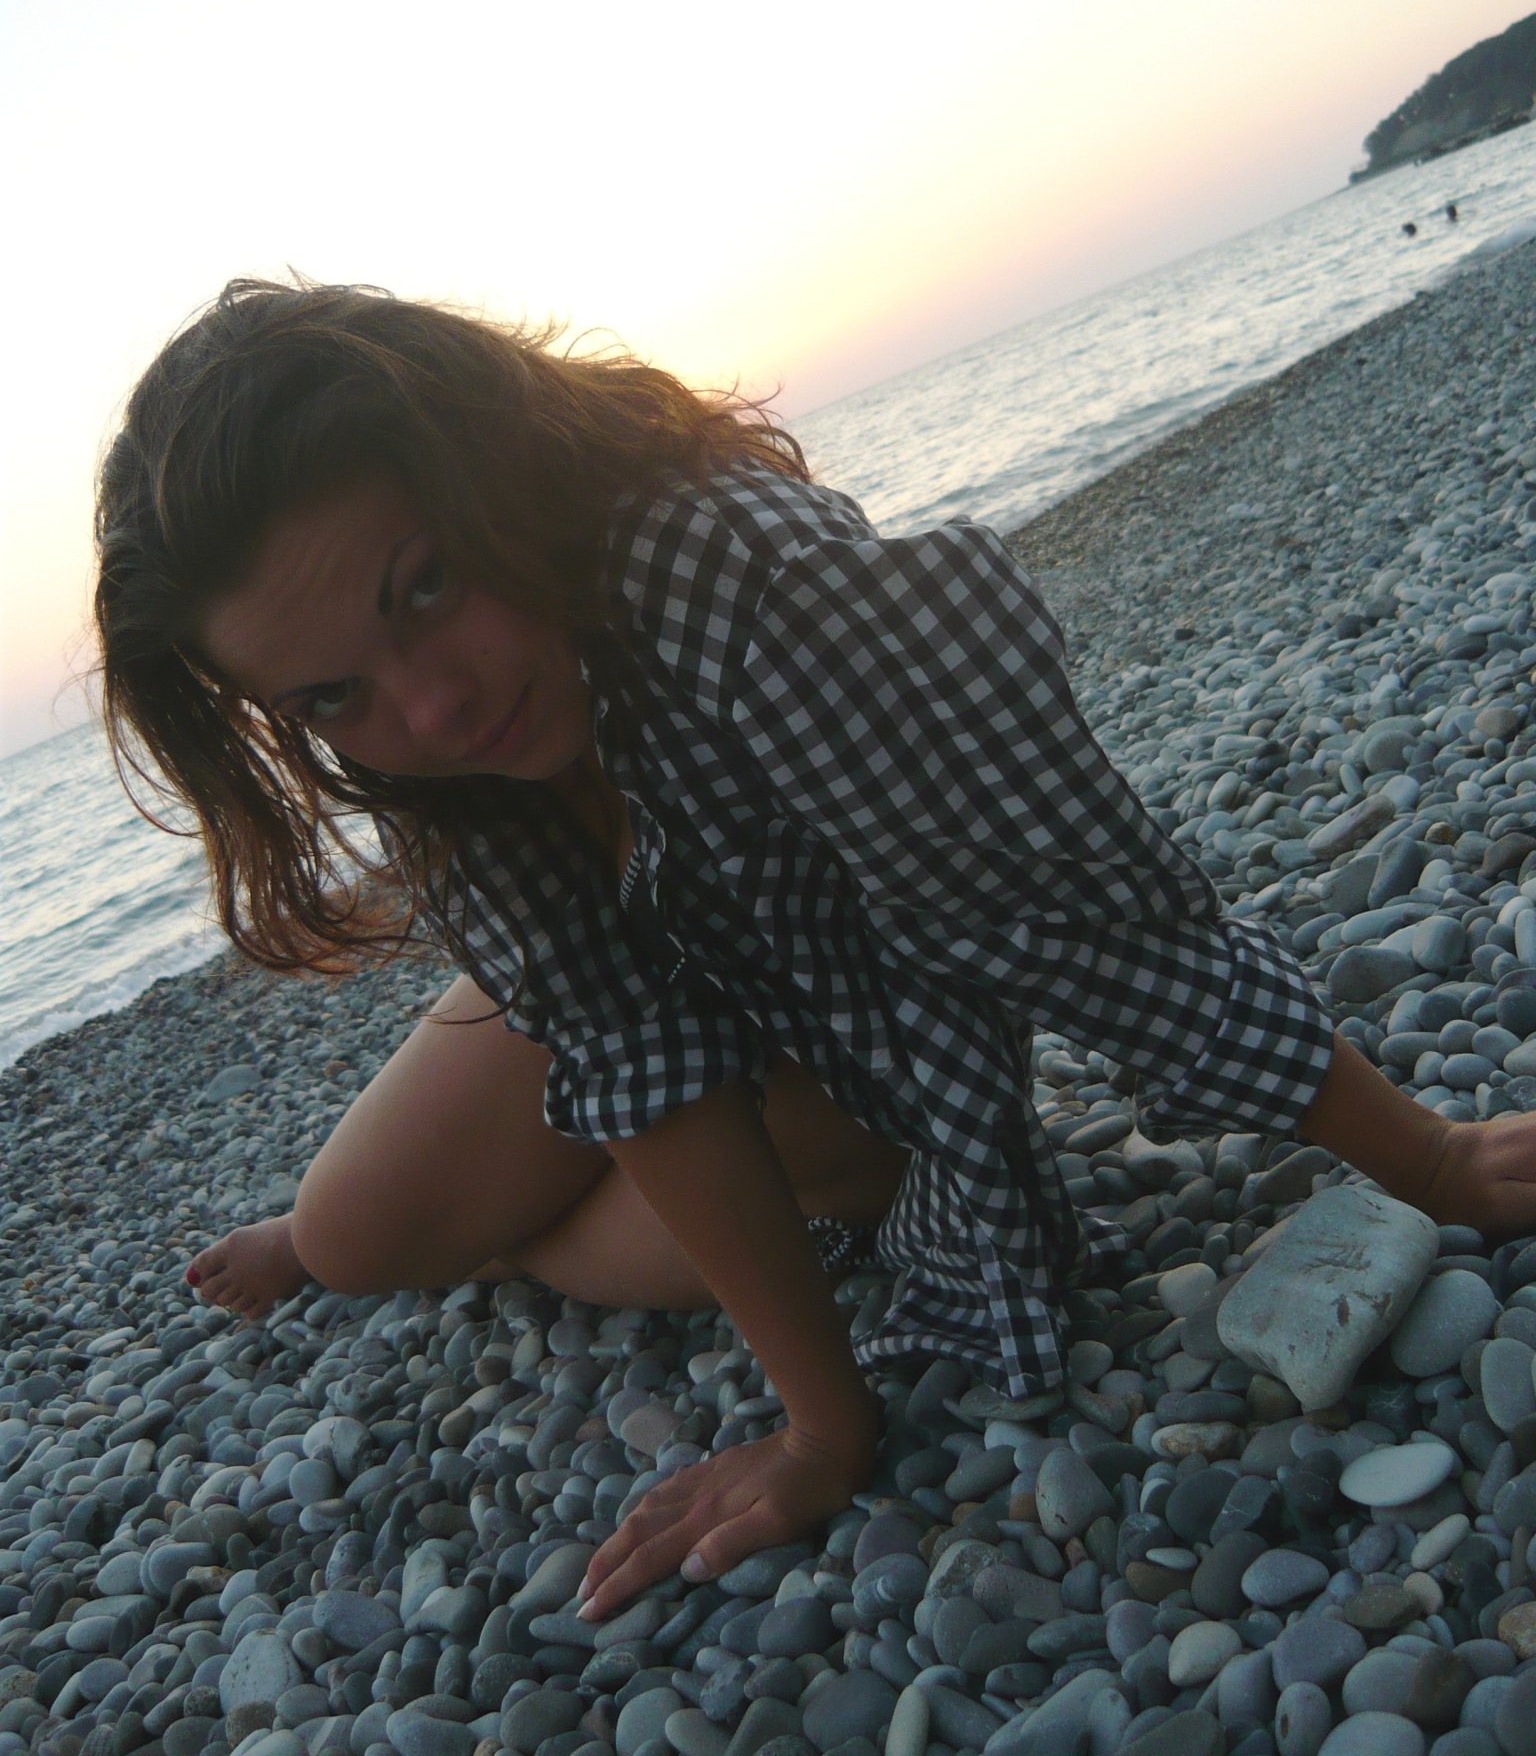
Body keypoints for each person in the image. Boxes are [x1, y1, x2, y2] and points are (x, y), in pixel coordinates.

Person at [93, 277, 1536, 1617]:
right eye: (332, 696)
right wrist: (813, 1414)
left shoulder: (758, 596)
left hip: (846, 1046)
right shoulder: (437, 736)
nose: (429, 710)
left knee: (549, 1232)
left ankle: (509, 1231)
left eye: (424, 587)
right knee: (347, 1238)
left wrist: (1428, 1159)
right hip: (658, 939)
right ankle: (429, 1204)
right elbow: (633, 1050)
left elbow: (1093, 929)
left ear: (490, 470)